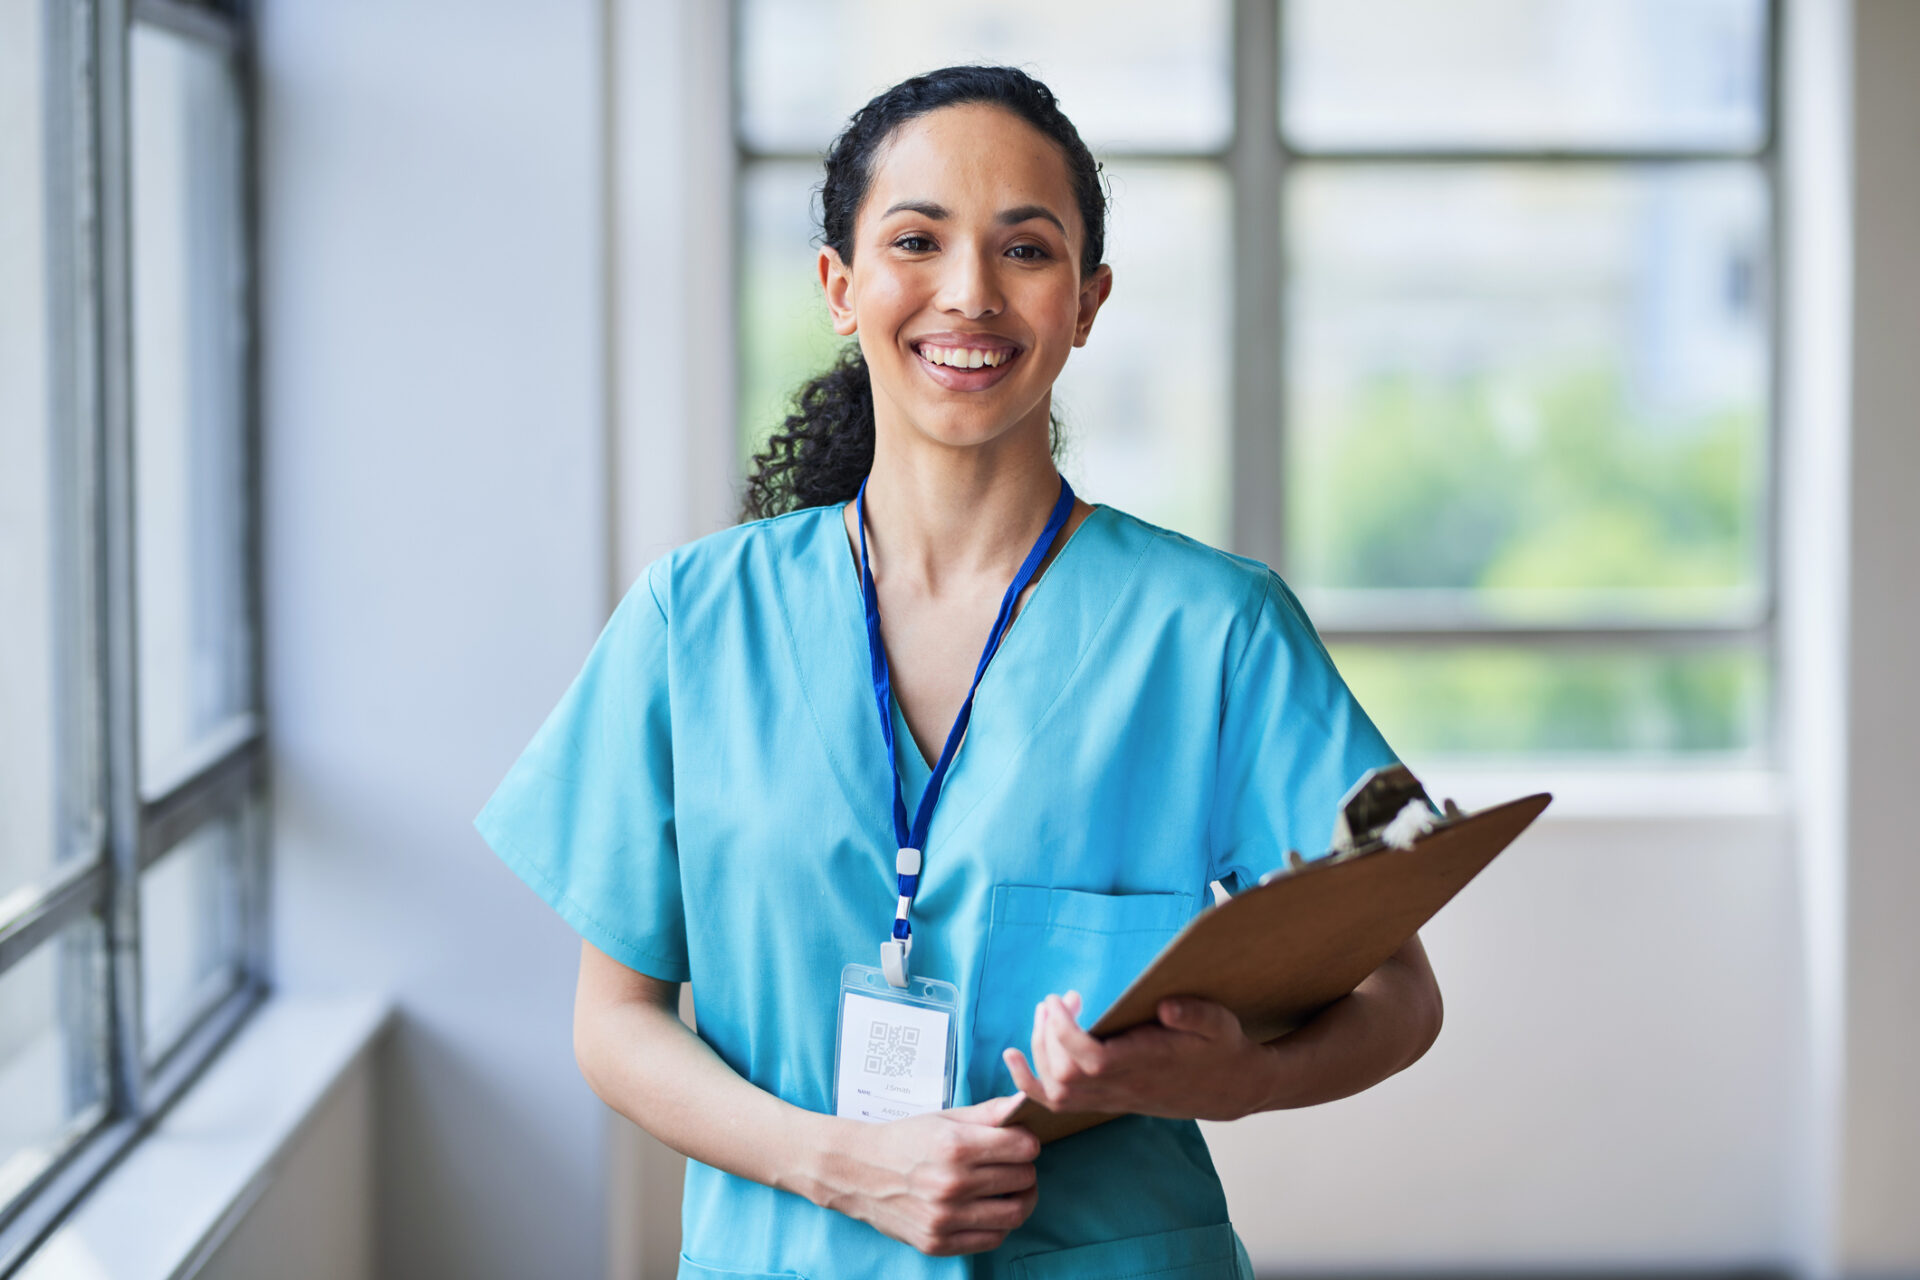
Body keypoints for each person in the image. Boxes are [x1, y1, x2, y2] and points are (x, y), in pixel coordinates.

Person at [475, 64, 1443, 1280]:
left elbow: (1398, 991)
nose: (970, 294)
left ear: (1086, 302)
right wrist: (838, 1160)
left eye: (1026, 250)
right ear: (842, 286)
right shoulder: (695, 619)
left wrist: (1247, 1075)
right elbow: (615, 1021)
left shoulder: (1215, 630)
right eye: (917, 240)